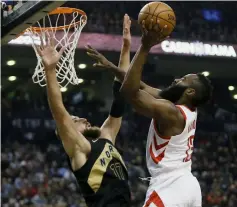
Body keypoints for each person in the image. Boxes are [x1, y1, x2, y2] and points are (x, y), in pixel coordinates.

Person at [35, 14, 132, 207]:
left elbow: (120, 96)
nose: (84, 118)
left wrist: (127, 47)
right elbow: (60, 112)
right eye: (76, 119)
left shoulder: (106, 137)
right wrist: (50, 70)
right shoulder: (80, 148)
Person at [118, 19, 213, 207]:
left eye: (184, 79)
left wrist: (144, 47)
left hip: (170, 187)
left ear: (190, 92)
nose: (178, 79)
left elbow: (129, 92)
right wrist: (115, 67)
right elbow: (139, 84)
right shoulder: (185, 107)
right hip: (188, 184)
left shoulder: (170, 112)